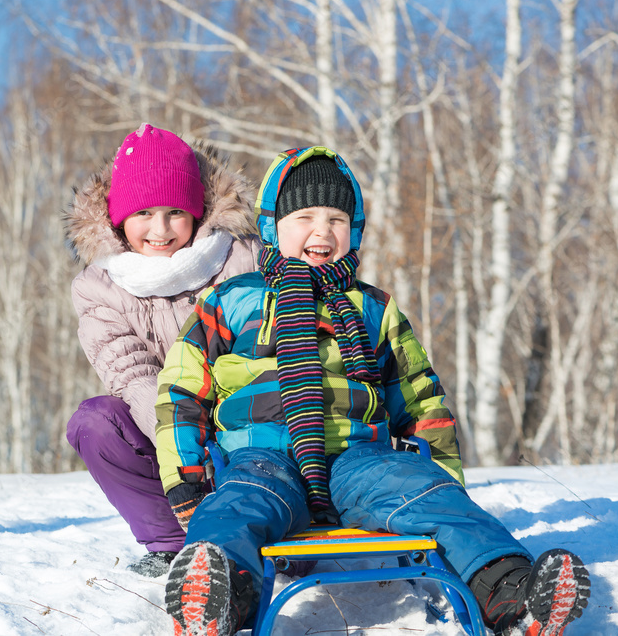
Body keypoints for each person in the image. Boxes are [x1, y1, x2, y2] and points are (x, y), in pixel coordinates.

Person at [155, 146, 592, 636]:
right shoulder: (231, 300)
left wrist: (442, 475)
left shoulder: (373, 309)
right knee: (235, 508)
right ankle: (216, 604)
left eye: (337, 218)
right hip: (261, 456)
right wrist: (187, 478)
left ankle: (513, 594)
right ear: (272, 226)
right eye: (304, 217)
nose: (322, 231)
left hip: (358, 460)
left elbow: (421, 399)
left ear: (355, 229)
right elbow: (180, 390)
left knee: (427, 496)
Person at [65, 123, 261, 577]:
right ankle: (174, 540)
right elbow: (130, 373)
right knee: (96, 421)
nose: (160, 229)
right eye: (144, 213)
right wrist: (185, 439)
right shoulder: (98, 288)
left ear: (198, 210)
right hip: (167, 426)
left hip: (253, 421)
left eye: (175, 211)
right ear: (118, 218)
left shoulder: (245, 259)